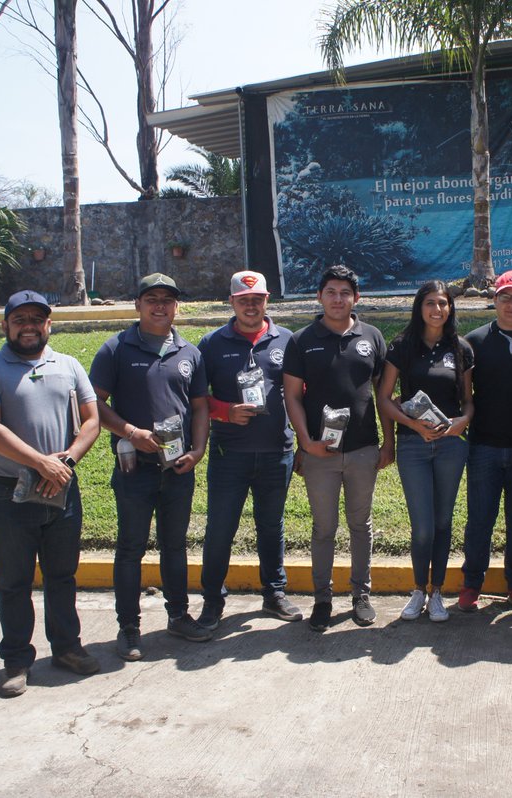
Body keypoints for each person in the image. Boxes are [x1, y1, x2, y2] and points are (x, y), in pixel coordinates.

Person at [0, 290, 102, 698]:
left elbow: (91, 419)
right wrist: (41, 463)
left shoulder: (68, 364)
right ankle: (17, 661)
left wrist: (67, 462)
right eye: (19, 319)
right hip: (10, 494)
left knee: (63, 575)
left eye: (36, 319)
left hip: (62, 489)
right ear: (5, 326)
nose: (28, 325)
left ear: (48, 324)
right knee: (14, 581)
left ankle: (67, 648)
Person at [89, 273, 212, 661]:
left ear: (177, 306)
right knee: (130, 549)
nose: (160, 306)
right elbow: (94, 403)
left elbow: (200, 408)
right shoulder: (116, 349)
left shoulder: (190, 353)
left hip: (178, 467)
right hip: (135, 468)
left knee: (175, 546)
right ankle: (129, 627)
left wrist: (198, 450)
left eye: (168, 300)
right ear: (138, 305)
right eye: (152, 299)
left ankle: (178, 615)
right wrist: (129, 430)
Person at [283, 264, 395, 632]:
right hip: (320, 453)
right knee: (323, 528)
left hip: (363, 448)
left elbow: (383, 396)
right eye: (330, 292)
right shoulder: (301, 340)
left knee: (360, 525)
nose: (338, 299)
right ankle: (322, 598)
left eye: (345, 293)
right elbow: (292, 397)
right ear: (319, 297)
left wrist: (388, 440)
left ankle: (361, 595)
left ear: (356, 298)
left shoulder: (372, 336)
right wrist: (305, 443)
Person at [196, 270, 300, 630]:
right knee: (221, 528)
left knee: (271, 525)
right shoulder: (211, 344)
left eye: (257, 299)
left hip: (276, 451)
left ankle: (274, 593)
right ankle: (212, 601)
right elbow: (194, 399)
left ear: (267, 301)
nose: (251, 306)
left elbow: (301, 394)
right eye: (244, 300)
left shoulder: (287, 340)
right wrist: (225, 411)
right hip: (230, 455)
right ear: (232, 303)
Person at [378, 280, 474, 623]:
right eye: (430, 303)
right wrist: (413, 426)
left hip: (449, 446)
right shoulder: (403, 346)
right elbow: (384, 398)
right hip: (413, 446)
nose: (437, 310)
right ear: (420, 307)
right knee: (422, 525)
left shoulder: (460, 348)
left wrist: (463, 421)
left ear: (451, 308)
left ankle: (437, 593)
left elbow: (467, 400)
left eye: (443, 303)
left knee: (443, 522)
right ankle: (419, 589)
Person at [458, 270, 512, 612]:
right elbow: (463, 395)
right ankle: (471, 584)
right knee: (479, 519)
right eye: (505, 297)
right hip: (484, 447)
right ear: (494, 300)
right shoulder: (474, 342)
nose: (511, 304)